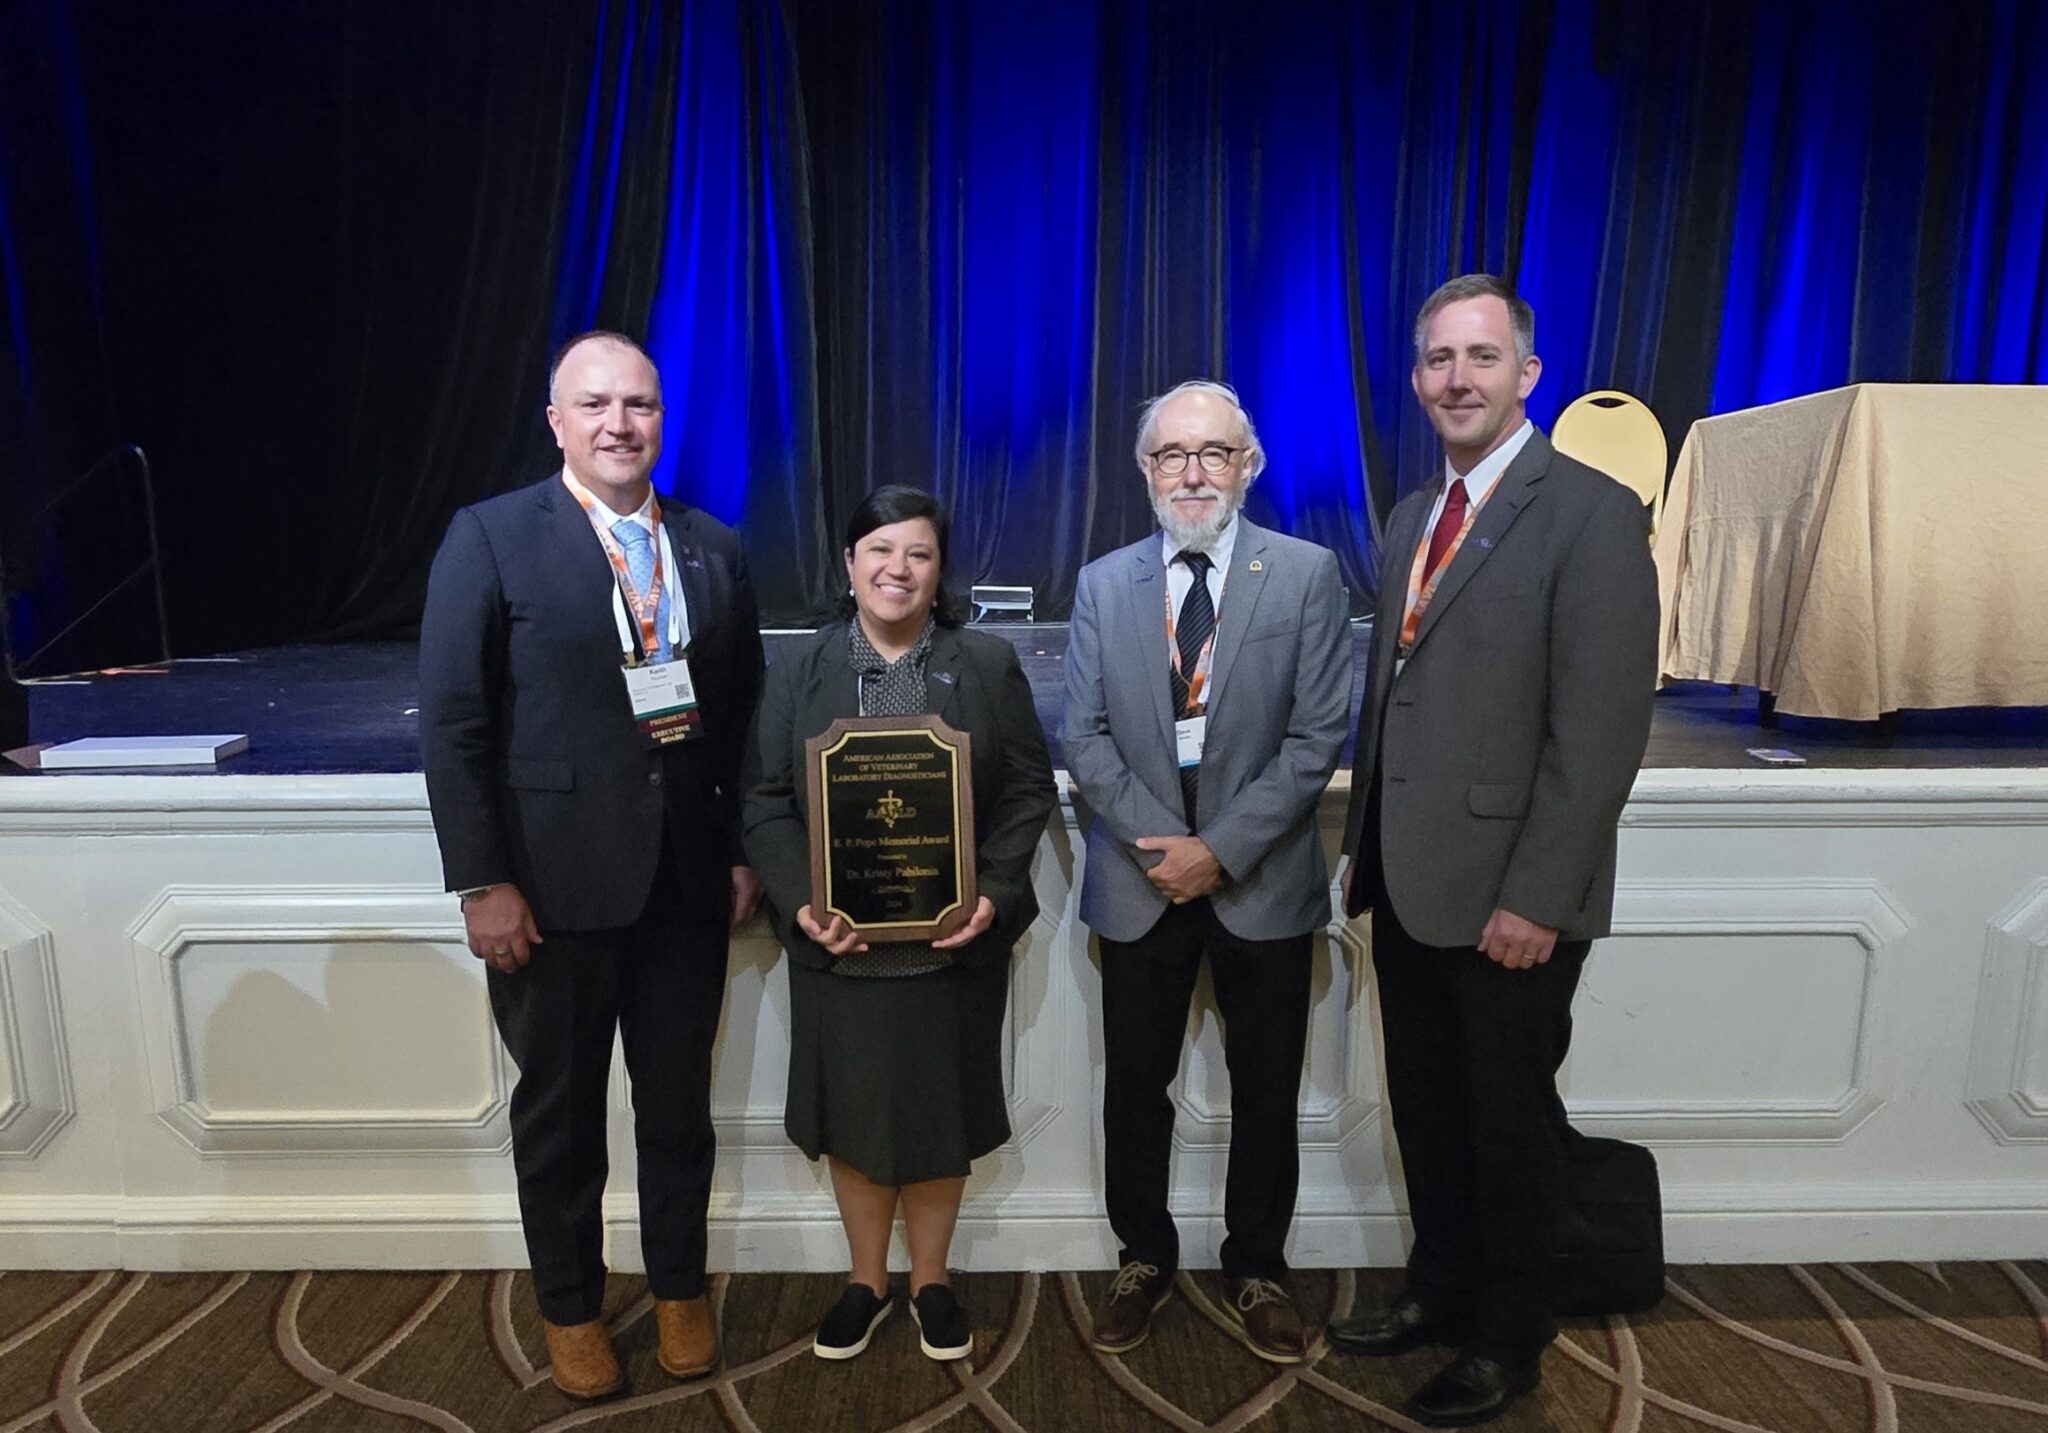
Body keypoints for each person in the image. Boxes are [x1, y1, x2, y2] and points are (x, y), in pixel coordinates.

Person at [1327, 275, 1658, 1427]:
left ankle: (1506, 1337)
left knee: (1505, 1125)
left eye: (1478, 356)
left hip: (1511, 901)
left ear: (1527, 372)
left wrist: (1537, 896)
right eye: (1434, 359)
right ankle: (1440, 1290)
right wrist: (1363, 844)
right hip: (1410, 885)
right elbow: (1401, 700)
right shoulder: (1411, 515)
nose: (1454, 378)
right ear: (1415, 379)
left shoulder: (1592, 511)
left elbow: (1600, 731)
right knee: (1427, 1109)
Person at [418, 330, 764, 1400]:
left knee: (675, 1112)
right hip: (547, 890)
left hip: (682, 884)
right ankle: (569, 1307)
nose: (621, 423)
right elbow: (455, 721)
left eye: (641, 404)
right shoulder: (488, 537)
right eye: (598, 404)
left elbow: (743, 712)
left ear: (662, 419)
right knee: (559, 1119)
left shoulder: (711, 544)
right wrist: (482, 879)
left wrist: (742, 849)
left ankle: (677, 1291)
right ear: (556, 421)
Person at [1061, 380, 1351, 1364]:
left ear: (1247, 466)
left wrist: (1217, 849)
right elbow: (1083, 735)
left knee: (1263, 1088)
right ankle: (1140, 1256)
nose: (1191, 472)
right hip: (1138, 886)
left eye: (1212, 453)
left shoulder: (1307, 574)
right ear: (1144, 471)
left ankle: (1256, 1264)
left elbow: (1314, 738)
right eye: (1170, 455)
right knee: (1133, 1087)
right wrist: (1166, 848)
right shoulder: (1103, 583)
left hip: (1260, 883)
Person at [743, 486, 1057, 1364]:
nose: (898, 568)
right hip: (839, 944)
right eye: (879, 549)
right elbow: (766, 799)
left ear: (939, 569)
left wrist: (993, 889)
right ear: (849, 565)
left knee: (935, 1107)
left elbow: (1029, 787)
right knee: (854, 1111)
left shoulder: (985, 664)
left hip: (952, 942)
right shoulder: (801, 669)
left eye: (918, 553)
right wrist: (803, 899)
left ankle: (931, 1279)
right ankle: (863, 1279)